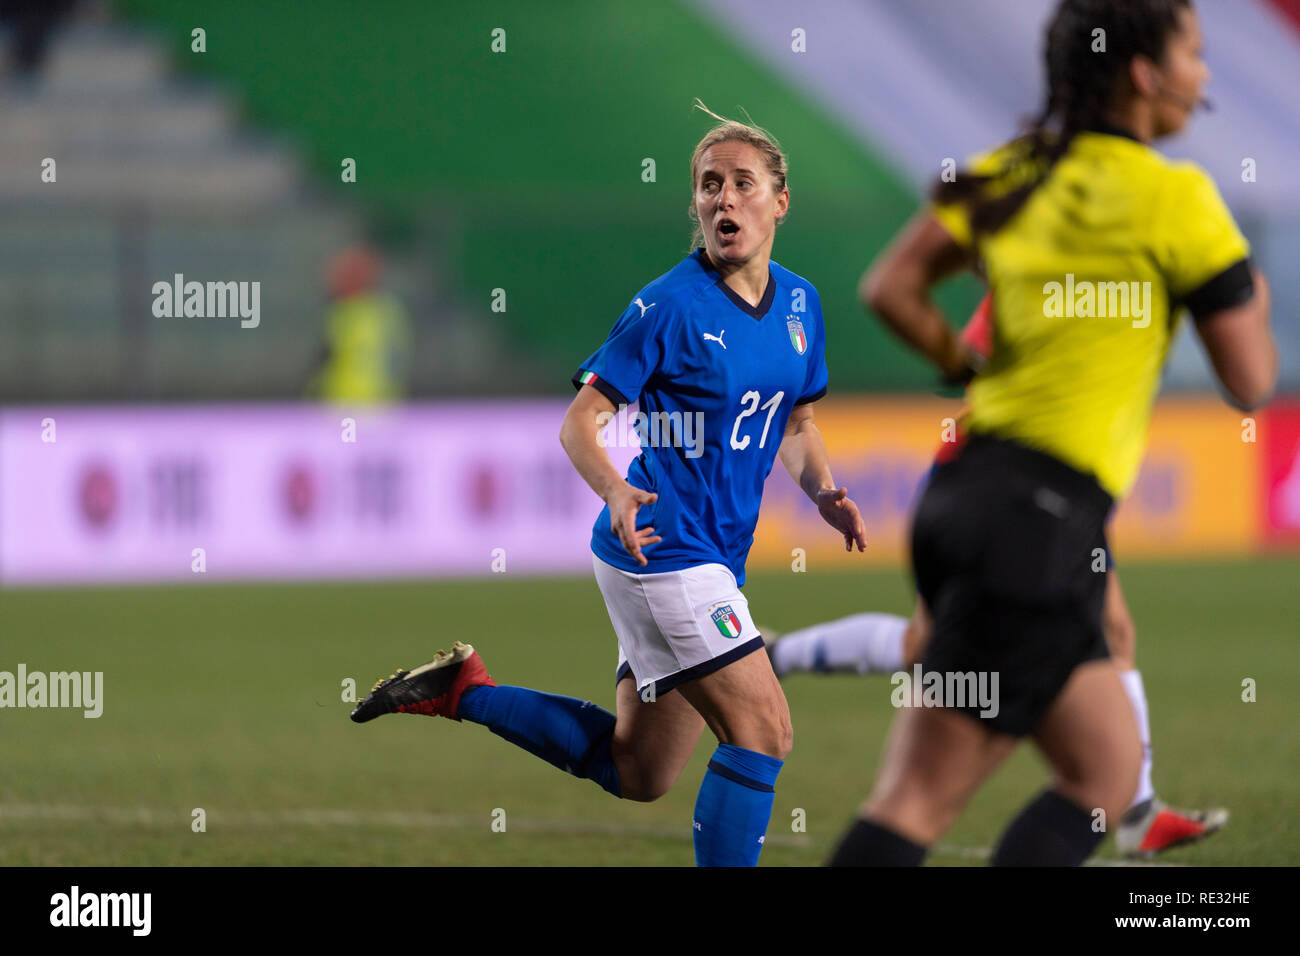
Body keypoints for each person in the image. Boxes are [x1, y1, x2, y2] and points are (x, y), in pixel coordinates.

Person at [350, 102, 867, 867]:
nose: (724, 199)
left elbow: (794, 424)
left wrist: (824, 491)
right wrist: (617, 492)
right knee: (764, 733)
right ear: (695, 201)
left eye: (743, 183)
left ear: (779, 201)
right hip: (663, 547)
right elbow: (578, 424)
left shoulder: (800, 304)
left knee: (641, 770)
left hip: (710, 560)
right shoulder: (667, 306)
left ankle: (463, 691)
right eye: (708, 185)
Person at [828, 0, 1275, 866]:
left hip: (962, 496)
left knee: (1105, 778)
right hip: (1038, 517)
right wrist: (1231, 277)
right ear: (1144, 75)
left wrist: (961, 360)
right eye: (1194, 54)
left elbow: (890, 286)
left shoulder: (1010, 171)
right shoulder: (1178, 198)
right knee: (915, 802)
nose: (1205, 74)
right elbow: (1251, 380)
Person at [770, 293, 1229, 859]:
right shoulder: (1041, 281)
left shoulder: (1067, 276)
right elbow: (947, 334)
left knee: (1114, 633)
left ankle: (1136, 808)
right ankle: (780, 656)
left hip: (1050, 490)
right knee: (920, 736)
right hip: (1014, 489)